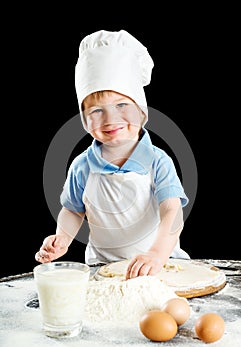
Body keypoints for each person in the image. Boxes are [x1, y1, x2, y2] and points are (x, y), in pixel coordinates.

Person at [35, 29, 190, 279]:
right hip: (104, 269)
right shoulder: (82, 166)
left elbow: (172, 211)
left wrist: (157, 255)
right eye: (96, 110)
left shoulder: (158, 161)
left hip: (160, 267)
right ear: (84, 120)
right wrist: (62, 238)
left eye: (121, 105)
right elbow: (74, 211)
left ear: (141, 110)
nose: (110, 119)